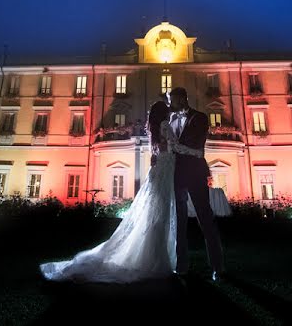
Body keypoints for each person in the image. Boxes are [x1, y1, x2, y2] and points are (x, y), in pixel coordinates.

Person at [39, 99, 205, 283]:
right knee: (162, 216)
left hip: (159, 172)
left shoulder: (154, 129)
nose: (170, 111)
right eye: (167, 109)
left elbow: (158, 152)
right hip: (166, 171)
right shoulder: (166, 125)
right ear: (163, 113)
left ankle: (153, 258)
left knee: (155, 215)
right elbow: (175, 146)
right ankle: (157, 260)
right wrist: (196, 152)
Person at [167, 87, 226, 281]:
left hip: (195, 173)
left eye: (172, 100)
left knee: (205, 218)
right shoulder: (170, 121)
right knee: (179, 220)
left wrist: (173, 148)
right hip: (176, 175)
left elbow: (196, 144)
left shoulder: (199, 118)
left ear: (182, 99)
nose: (170, 104)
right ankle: (181, 265)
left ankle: (217, 267)